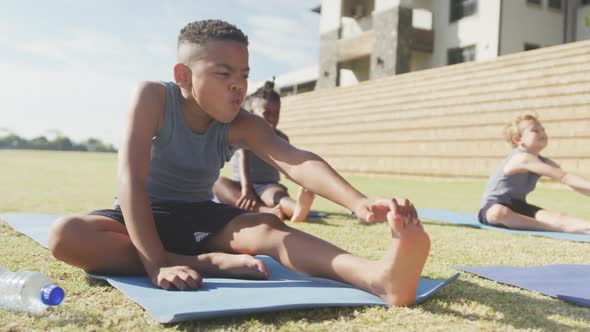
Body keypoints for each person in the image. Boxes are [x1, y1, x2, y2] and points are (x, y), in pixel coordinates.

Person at [47, 19, 430, 306]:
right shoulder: (153, 98)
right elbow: (130, 181)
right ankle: (202, 262)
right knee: (65, 235)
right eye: (223, 73)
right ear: (183, 75)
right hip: (141, 216)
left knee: (268, 228)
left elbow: (297, 162)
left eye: (244, 75)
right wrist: (157, 265)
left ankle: (378, 278)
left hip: (201, 217)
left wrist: (358, 202)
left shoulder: (241, 123)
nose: (238, 85)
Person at [213, 81, 316, 222]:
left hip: (268, 186)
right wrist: (247, 189)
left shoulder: (281, 138)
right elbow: (243, 157)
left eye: (276, 113)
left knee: (279, 197)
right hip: (241, 185)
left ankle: (297, 209)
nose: (272, 119)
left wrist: (302, 183)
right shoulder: (244, 132)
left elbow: (289, 167)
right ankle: (266, 211)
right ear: (251, 113)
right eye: (266, 113)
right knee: (218, 183)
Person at [479, 114, 590, 234]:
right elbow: (564, 177)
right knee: (500, 213)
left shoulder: (543, 161)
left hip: (520, 206)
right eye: (535, 131)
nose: (542, 133)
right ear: (518, 139)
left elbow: (567, 178)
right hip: (493, 207)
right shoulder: (521, 158)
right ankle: (554, 228)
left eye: (543, 130)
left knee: (559, 218)